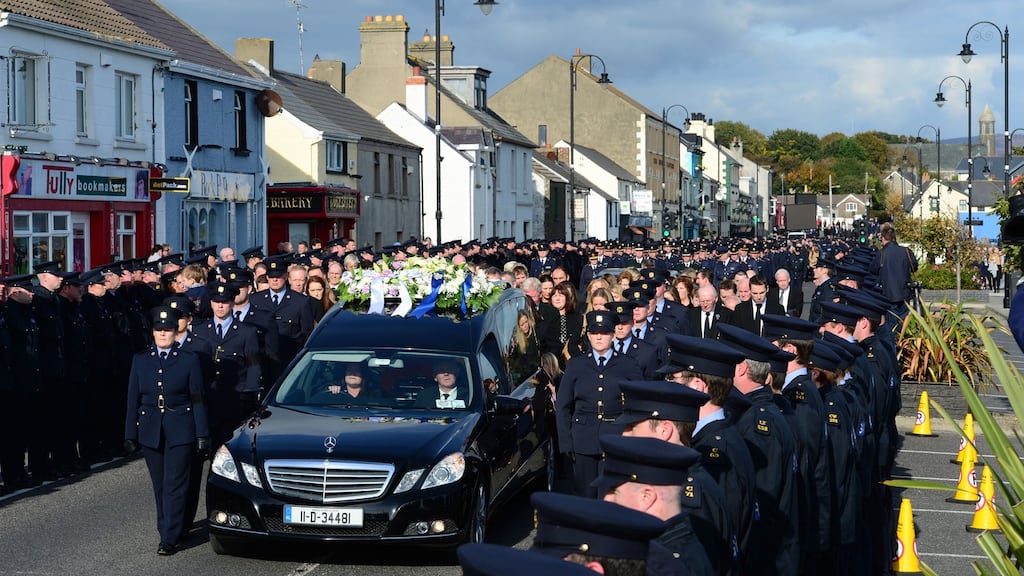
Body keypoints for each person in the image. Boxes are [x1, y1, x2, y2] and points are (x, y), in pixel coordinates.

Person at [124, 306, 209, 556]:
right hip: (151, 428)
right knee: (159, 485)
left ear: (175, 332)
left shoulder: (188, 359)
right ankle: (169, 528)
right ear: (152, 332)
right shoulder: (141, 359)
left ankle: (168, 536)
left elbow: (197, 399)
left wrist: (202, 433)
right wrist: (130, 434)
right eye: (159, 330)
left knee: (175, 483)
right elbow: (132, 399)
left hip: (181, 427)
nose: (163, 334)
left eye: (168, 330)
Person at [595, 434, 714, 576]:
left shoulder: (659, 565)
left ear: (646, 497)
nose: (607, 499)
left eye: (614, 490)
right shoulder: (690, 537)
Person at [555, 310, 643, 497]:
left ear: (612, 335)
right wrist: (566, 443)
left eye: (603, 333)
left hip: (615, 437)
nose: (599, 338)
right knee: (585, 495)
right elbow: (563, 405)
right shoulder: (576, 365)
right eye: (594, 333)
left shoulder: (627, 364)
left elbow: (639, 404)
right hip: (583, 438)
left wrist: (633, 437)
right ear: (588, 335)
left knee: (611, 495)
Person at [868, 225, 918, 330]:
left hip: (888, 295)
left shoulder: (881, 254)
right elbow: (914, 267)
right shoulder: (906, 251)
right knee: (904, 323)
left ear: (883, 238)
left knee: (891, 327)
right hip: (905, 293)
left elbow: (872, 270)